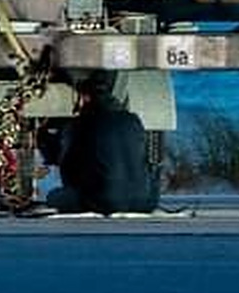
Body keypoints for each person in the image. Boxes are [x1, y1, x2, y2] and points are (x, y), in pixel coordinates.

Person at [43, 70, 158, 214]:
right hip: (146, 201)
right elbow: (147, 161)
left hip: (104, 201)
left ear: (85, 97)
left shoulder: (81, 124)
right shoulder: (133, 120)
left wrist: (44, 138)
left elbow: (67, 165)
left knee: (54, 196)